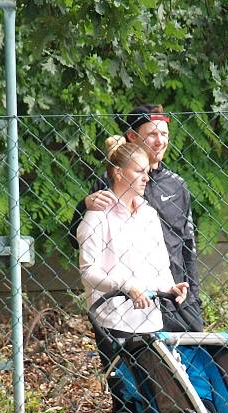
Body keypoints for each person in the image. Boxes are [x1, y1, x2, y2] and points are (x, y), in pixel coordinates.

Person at [77, 136, 188, 413]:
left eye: (148, 171)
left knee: (158, 400)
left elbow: (159, 266)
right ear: (119, 173)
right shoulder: (97, 217)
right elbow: (90, 272)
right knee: (127, 399)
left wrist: (170, 287)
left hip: (149, 319)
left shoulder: (149, 215)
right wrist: (126, 285)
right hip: (115, 321)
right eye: (139, 171)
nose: (146, 176)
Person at [72, 104, 204, 332]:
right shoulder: (108, 183)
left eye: (164, 134)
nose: (160, 141)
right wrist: (82, 205)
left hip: (172, 292)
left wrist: (192, 294)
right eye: (152, 134)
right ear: (132, 137)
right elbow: (78, 239)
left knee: (190, 361)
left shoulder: (176, 185)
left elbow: (188, 244)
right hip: (129, 303)